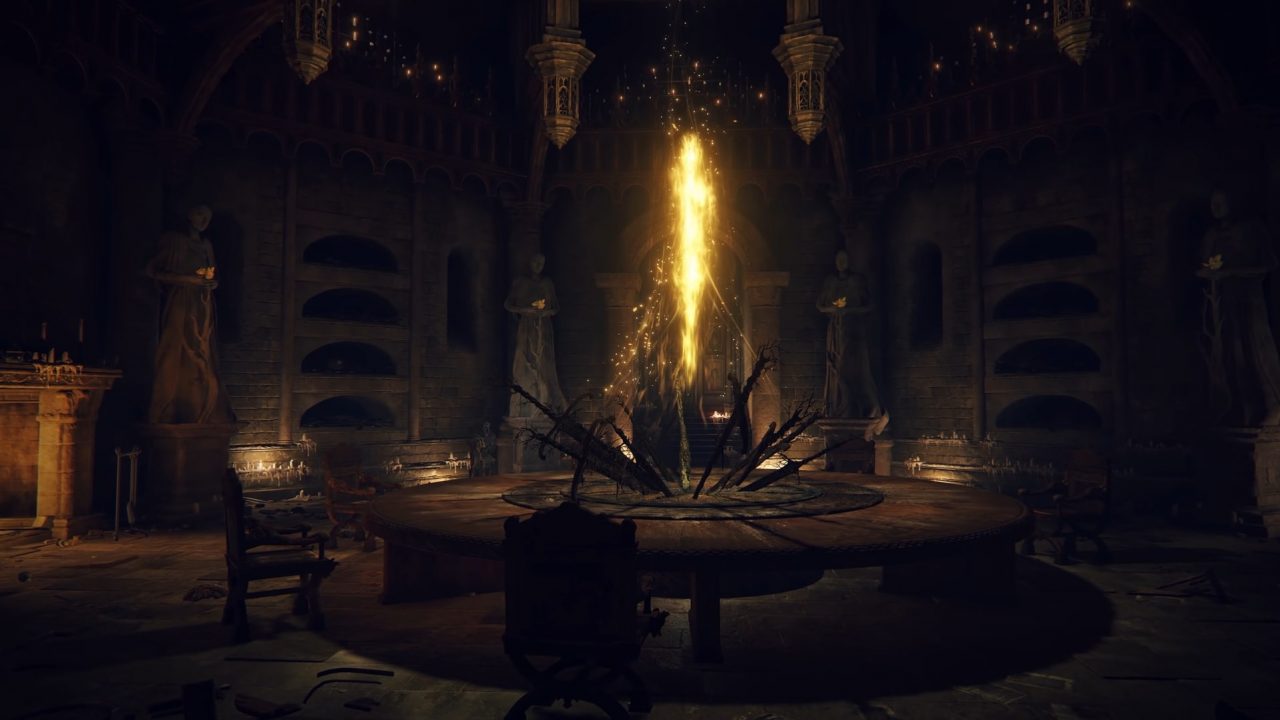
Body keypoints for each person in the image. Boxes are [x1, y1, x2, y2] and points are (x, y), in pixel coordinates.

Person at [1198, 190, 1280, 426]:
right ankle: (1244, 408)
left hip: (1250, 299)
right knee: (1232, 354)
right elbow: (1205, 264)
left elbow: (1268, 264)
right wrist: (1211, 273)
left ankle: (1274, 404)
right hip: (1223, 301)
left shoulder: (1252, 229)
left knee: (1257, 348)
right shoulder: (1212, 235)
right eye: (1213, 202)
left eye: (1221, 201)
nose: (1216, 207)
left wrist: (1233, 272)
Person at [146, 205, 233, 424]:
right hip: (181, 299)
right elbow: (153, 271)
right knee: (177, 345)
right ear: (189, 214)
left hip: (202, 302)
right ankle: (172, 404)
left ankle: (204, 402)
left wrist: (212, 283)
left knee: (203, 349)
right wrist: (188, 280)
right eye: (200, 214)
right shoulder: (173, 240)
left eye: (208, 217)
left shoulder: (206, 245)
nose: (204, 220)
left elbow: (213, 273)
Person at [816, 250, 881, 419]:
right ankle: (838, 405)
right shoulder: (830, 282)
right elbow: (820, 306)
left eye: (844, 259)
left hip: (853, 330)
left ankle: (858, 407)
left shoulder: (857, 281)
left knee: (854, 366)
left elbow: (869, 305)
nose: (841, 262)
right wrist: (834, 310)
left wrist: (849, 311)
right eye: (838, 259)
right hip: (835, 329)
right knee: (836, 365)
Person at [505, 253, 567, 417]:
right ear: (530, 263)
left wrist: (545, 312)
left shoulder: (547, 283)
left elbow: (555, 308)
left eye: (541, 263)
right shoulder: (520, 282)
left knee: (544, 361)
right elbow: (508, 304)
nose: (538, 266)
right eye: (535, 262)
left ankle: (545, 400)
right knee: (524, 357)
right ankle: (524, 402)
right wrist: (525, 310)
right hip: (526, 325)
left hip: (543, 326)